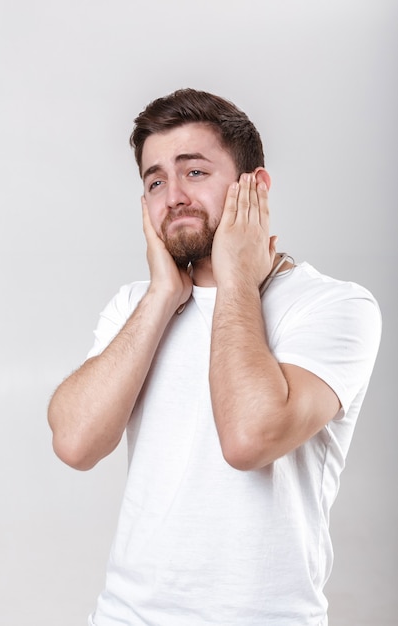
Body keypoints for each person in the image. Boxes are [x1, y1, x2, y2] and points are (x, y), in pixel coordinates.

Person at [48, 88, 381, 626]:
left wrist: (236, 282)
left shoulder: (335, 306)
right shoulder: (136, 305)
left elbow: (249, 439)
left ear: (257, 186)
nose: (173, 195)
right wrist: (162, 296)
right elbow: (75, 443)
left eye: (195, 172)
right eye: (155, 181)